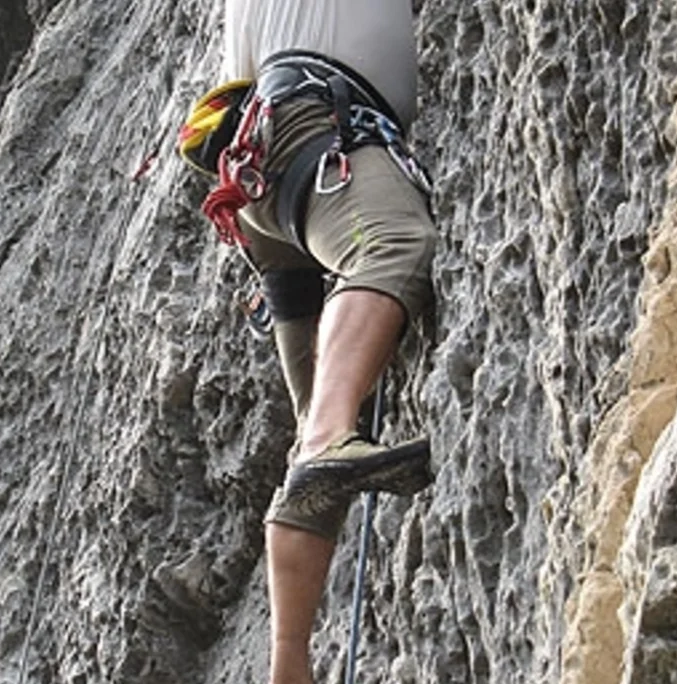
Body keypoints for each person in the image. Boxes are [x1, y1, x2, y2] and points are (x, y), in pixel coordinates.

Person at [206, 2, 439, 683]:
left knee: (314, 457)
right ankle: (329, 434)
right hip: (318, 126)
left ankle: (289, 661)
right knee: (392, 246)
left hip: (266, 184)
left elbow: (236, 85)